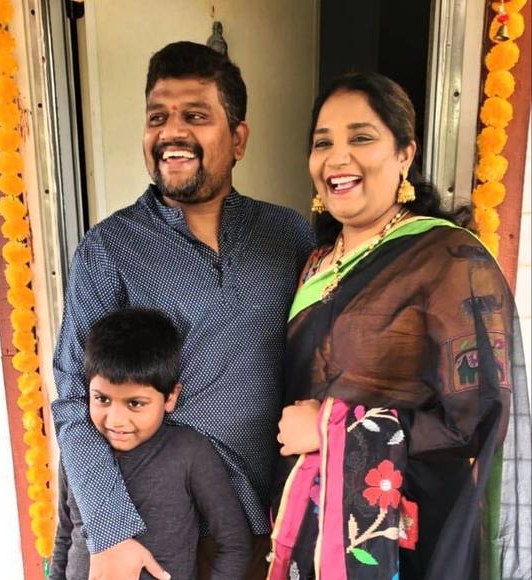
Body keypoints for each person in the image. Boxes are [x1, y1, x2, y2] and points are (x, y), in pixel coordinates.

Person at [51, 41, 314, 580]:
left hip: (262, 521)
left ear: (238, 139)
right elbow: (76, 398)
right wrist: (110, 530)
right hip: (150, 526)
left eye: (195, 116)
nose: (171, 132)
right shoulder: (109, 248)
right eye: (157, 118)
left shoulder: (287, 235)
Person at [270, 72, 531, 579]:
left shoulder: (447, 258)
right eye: (323, 143)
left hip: (400, 535)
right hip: (306, 519)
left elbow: (478, 419)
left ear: (405, 154)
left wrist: (329, 428)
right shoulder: (315, 261)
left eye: (361, 138)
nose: (338, 159)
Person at [50, 308, 251, 580]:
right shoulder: (79, 449)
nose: (115, 420)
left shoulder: (189, 452)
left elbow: (235, 543)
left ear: (170, 397)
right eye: (102, 399)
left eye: (135, 403)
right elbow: (65, 535)